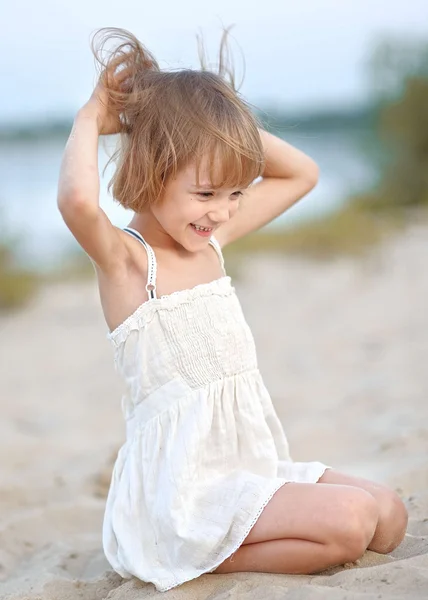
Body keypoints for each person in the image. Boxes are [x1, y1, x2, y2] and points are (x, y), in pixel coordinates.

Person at [57, 27, 408, 593]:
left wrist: (216, 125)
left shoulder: (208, 241)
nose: (221, 212)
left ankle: (233, 537)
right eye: (206, 193)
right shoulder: (127, 262)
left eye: (235, 193)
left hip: (245, 470)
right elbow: (76, 201)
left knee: (388, 517)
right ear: (151, 167)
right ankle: (189, 556)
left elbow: (303, 173)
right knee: (349, 522)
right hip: (184, 492)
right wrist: (94, 116)